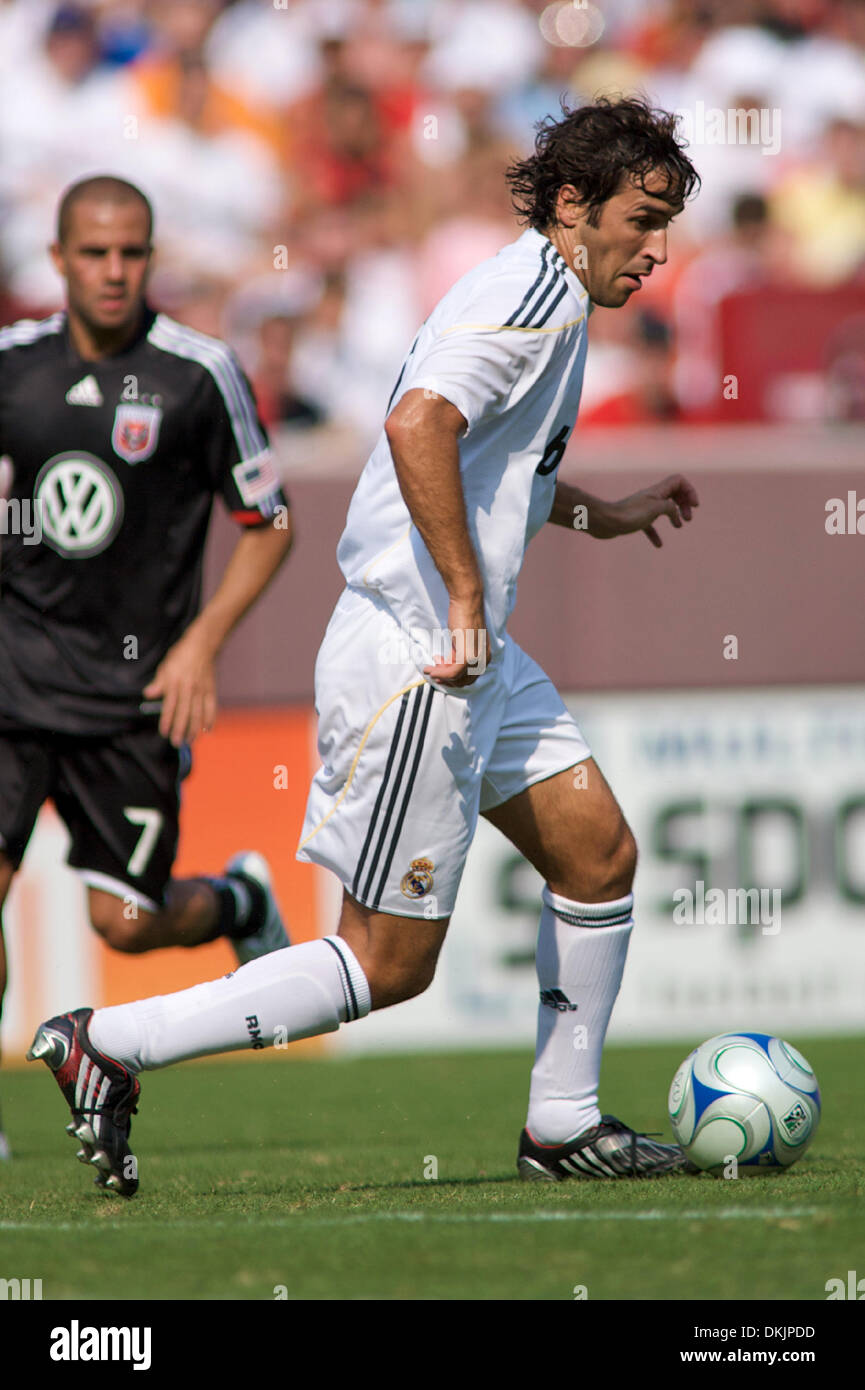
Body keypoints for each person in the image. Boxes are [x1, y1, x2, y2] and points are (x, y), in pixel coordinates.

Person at [29, 100, 702, 1195]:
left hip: (468, 645)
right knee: (387, 965)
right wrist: (465, 592)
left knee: (598, 856)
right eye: (644, 217)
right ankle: (109, 1041)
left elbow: (495, 470)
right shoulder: (533, 296)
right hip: (420, 654)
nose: (659, 247)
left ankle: (561, 1122)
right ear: (574, 205)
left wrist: (604, 516)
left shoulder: (545, 296)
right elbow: (416, 425)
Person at [1, 175, 294, 1158]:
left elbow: (269, 524)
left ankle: (238, 899)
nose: (114, 270)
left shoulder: (197, 373)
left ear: (153, 257)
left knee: (124, 925)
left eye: (132, 252)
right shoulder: (12, 368)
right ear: (58, 260)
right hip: (11, 679)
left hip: (131, 699)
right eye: (94, 252)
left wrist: (201, 644)